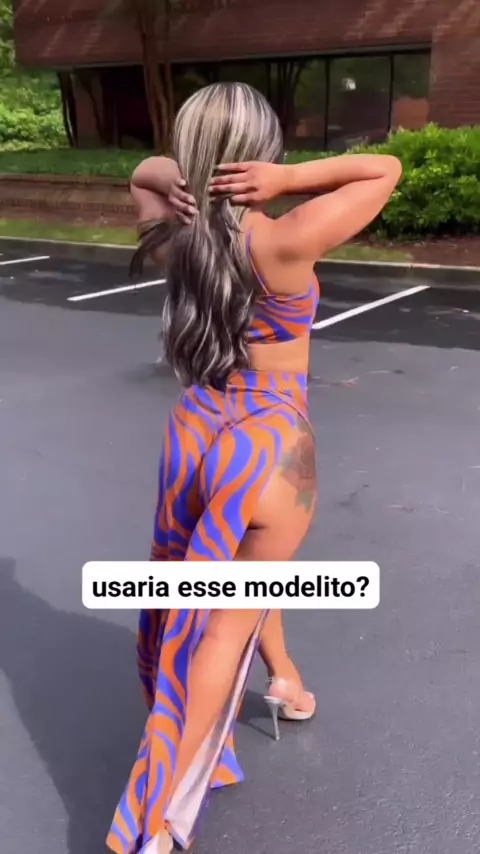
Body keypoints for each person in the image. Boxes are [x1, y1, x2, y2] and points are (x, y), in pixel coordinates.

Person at [107, 82, 402, 854]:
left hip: (196, 431)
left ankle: (286, 680)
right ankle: (154, 823)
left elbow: (141, 174)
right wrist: (292, 179)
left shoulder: (174, 237)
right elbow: (386, 168)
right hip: (268, 443)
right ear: (262, 156)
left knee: (236, 578)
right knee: (221, 628)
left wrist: (175, 175)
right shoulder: (290, 237)